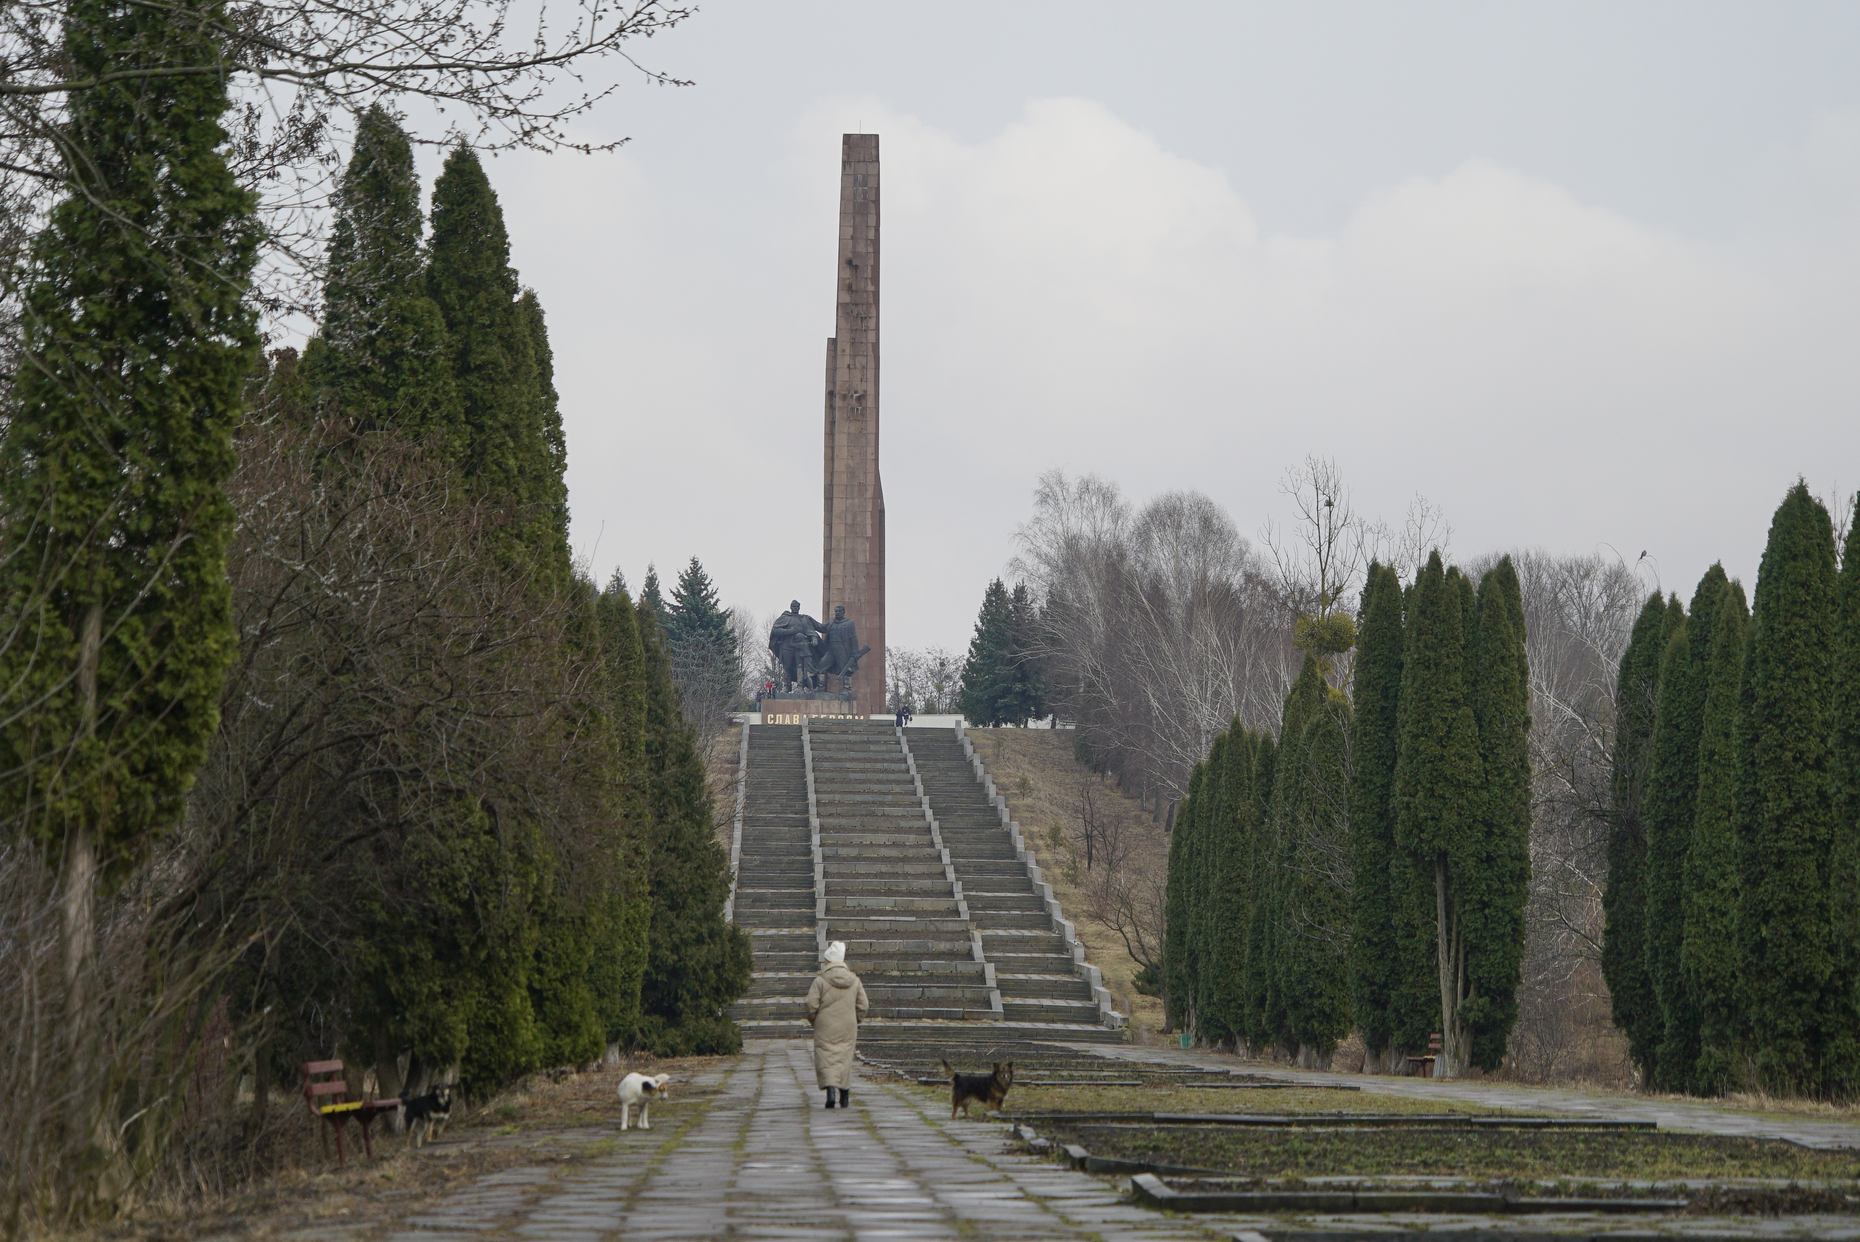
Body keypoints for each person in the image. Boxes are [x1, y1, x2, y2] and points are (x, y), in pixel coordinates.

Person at [804, 940, 868, 1109]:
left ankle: (830, 1090)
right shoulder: (854, 981)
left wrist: (814, 1019)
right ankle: (844, 1092)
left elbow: (811, 1005)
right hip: (848, 1026)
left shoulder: (820, 981)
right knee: (844, 1059)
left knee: (826, 1057)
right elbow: (863, 1005)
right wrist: (856, 1019)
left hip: (825, 1025)